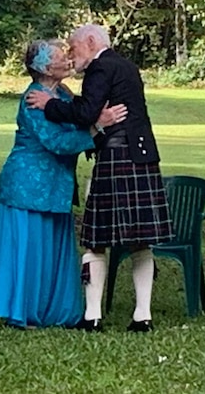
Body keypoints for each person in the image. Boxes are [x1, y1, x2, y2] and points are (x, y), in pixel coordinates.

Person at [26, 24, 172, 333]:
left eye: (74, 47)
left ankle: (92, 316)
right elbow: (92, 111)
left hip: (117, 157)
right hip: (141, 156)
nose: (71, 53)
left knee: (96, 241)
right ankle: (142, 316)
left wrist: (49, 104)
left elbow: (86, 112)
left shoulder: (99, 68)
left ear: (91, 42)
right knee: (140, 240)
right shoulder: (126, 65)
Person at [0, 40, 127, 329]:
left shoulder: (60, 93)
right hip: (28, 184)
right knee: (30, 249)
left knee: (52, 248)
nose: (69, 60)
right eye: (62, 57)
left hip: (55, 184)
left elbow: (75, 117)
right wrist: (98, 126)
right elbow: (57, 142)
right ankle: (25, 312)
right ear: (46, 68)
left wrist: (93, 120)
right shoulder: (33, 99)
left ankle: (56, 312)